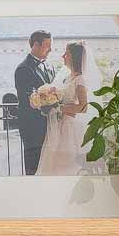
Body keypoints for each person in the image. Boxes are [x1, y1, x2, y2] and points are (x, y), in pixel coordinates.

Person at [37, 41, 90, 176]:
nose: (63, 56)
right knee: (53, 164)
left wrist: (59, 108)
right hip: (59, 125)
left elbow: (83, 107)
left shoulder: (79, 80)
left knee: (65, 165)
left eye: (66, 53)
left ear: (74, 56)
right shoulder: (68, 78)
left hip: (69, 127)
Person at [9, 30, 54, 176]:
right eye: (47, 45)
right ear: (36, 45)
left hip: (50, 124)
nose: (50, 49)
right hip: (31, 126)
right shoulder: (23, 69)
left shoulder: (49, 66)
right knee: (33, 165)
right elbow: (30, 99)